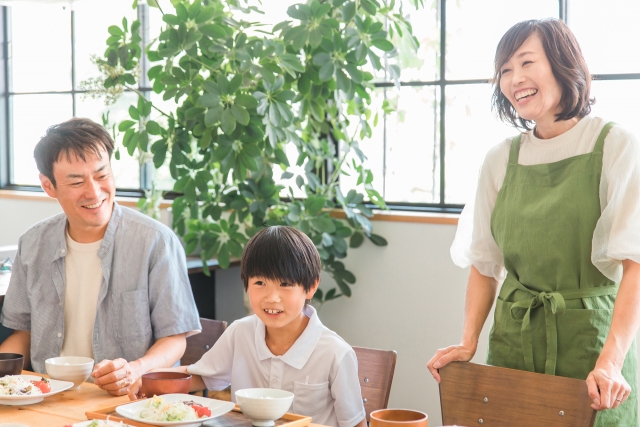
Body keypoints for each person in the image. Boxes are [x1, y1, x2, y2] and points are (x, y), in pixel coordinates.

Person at [427, 18, 639, 426]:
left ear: (563, 65)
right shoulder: (499, 159)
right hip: (513, 345)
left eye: (526, 63)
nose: (514, 79)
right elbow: (485, 265)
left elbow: (636, 265)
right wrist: (468, 341)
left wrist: (611, 362)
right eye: (505, 70)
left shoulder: (616, 146)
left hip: (592, 352)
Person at [0, 118, 202, 396]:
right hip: (44, 397)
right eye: (76, 181)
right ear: (48, 186)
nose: (94, 192)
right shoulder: (33, 244)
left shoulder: (155, 241)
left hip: (129, 401)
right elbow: (23, 333)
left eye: (101, 175)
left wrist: (135, 368)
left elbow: (175, 338)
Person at [128, 226, 367, 427]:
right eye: (260, 282)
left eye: (285, 284)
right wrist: (146, 379)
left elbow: (354, 423)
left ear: (311, 286)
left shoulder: (335, 352)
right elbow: (200, 377)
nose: (272, 297)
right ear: (246, 284)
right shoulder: (241, 332)